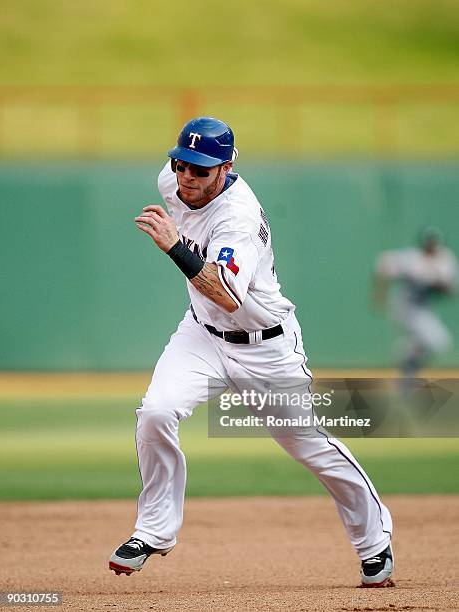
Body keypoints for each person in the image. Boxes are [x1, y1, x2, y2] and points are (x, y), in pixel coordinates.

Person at [108, 117, 394, 587]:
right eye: (181, 163)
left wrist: (175, 247)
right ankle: (154, 531)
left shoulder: (236, 216)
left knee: (309, 448)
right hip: (201, 335)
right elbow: (211, 304)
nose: (186, 177)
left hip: (266, 347)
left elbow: (227, 294)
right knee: (156, 412)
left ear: (226, 168)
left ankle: (374, 539)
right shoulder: (172, 181)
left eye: (200, 170)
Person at [374, 227, 458, 378]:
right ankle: (406, 354)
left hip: (423, 308)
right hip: (405, 305)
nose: (431, 247)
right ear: (423, 244)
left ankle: (407, 359)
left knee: (440, 343)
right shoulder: (412, 258)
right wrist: (379, 295)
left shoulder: (444, 259)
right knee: (436, 341)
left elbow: (449, 290)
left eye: (434, 244)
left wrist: (435, 281)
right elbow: (383, 264)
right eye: (429, 243)